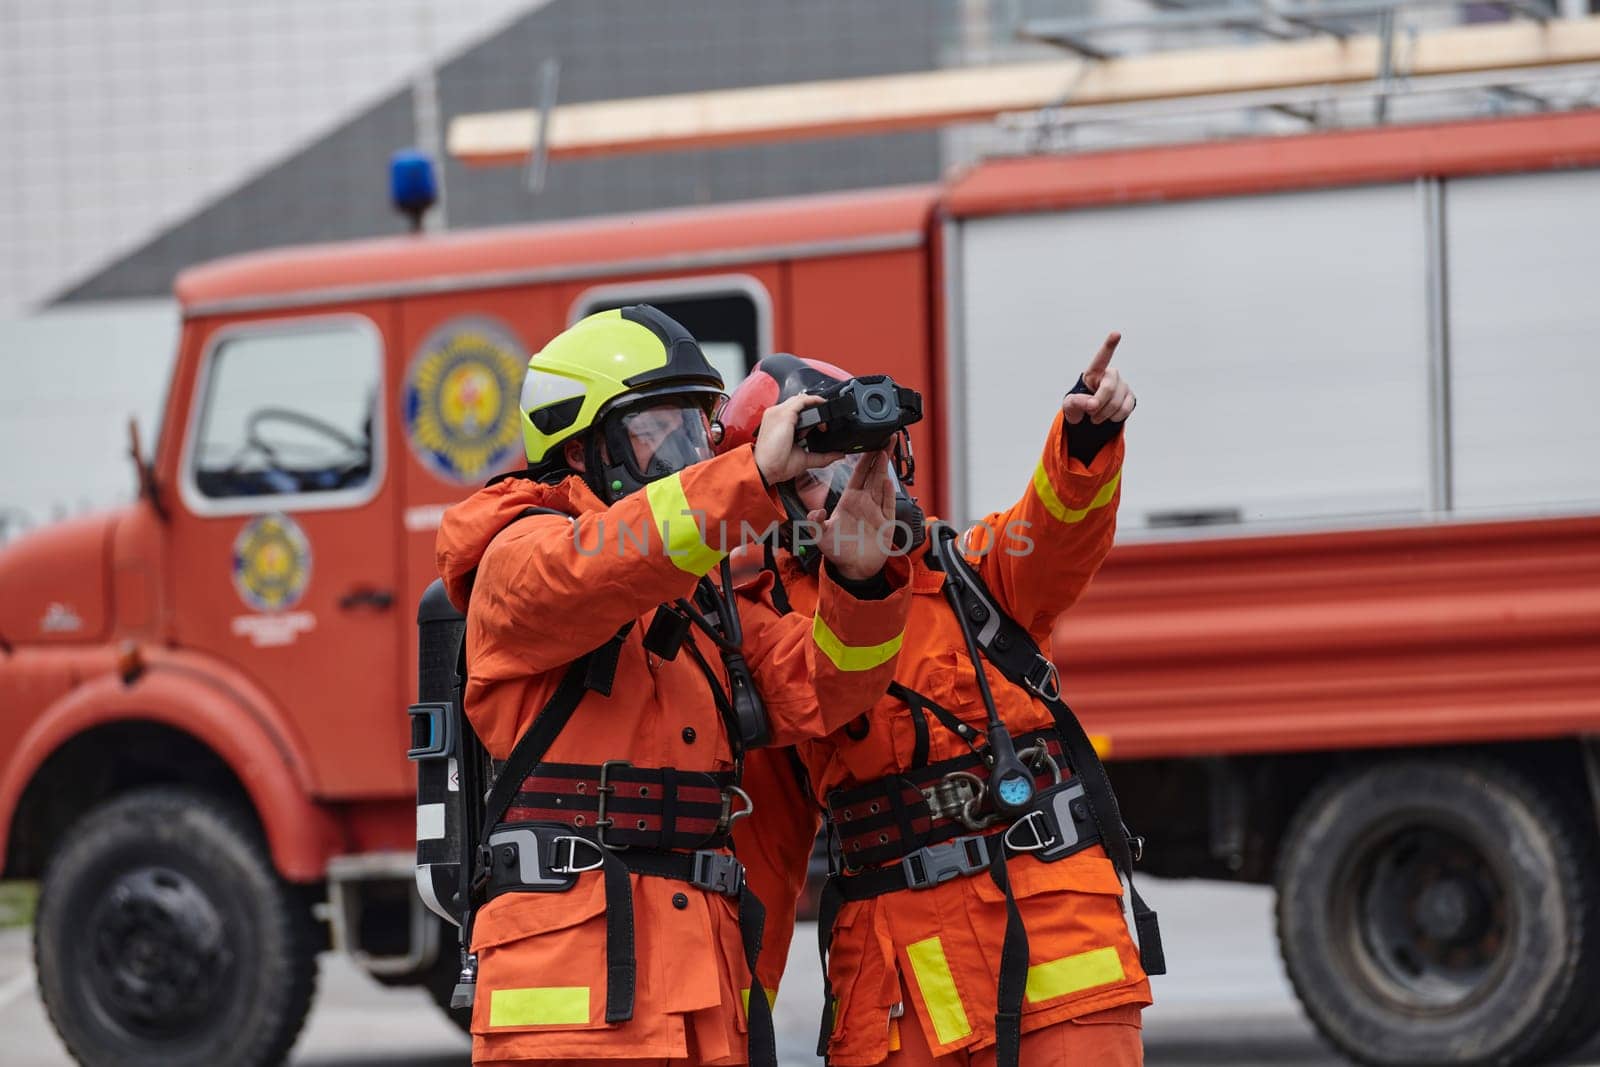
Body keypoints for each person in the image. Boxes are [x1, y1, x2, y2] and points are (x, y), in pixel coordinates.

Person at [434, 305, 913, 1067]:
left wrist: (859, 577)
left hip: (699, 983)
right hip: (572, 995)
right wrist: (747, 480)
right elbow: (603, 564)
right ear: (583, 443)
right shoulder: (515, 558)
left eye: (698, 428)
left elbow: (824, 691)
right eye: (658, 429)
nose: (687, 451)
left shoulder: (693, 597)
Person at [721, 339, 1158, 1067]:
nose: (846, 487)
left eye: (860, 461)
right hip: (897, 991)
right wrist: (738, 1035)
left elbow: (1058, 535)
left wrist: (1085, 437)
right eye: (813, 472)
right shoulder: (763, 641)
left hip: (1054, 959)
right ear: (765, 497)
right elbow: (763, 863)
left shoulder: (974, 571)